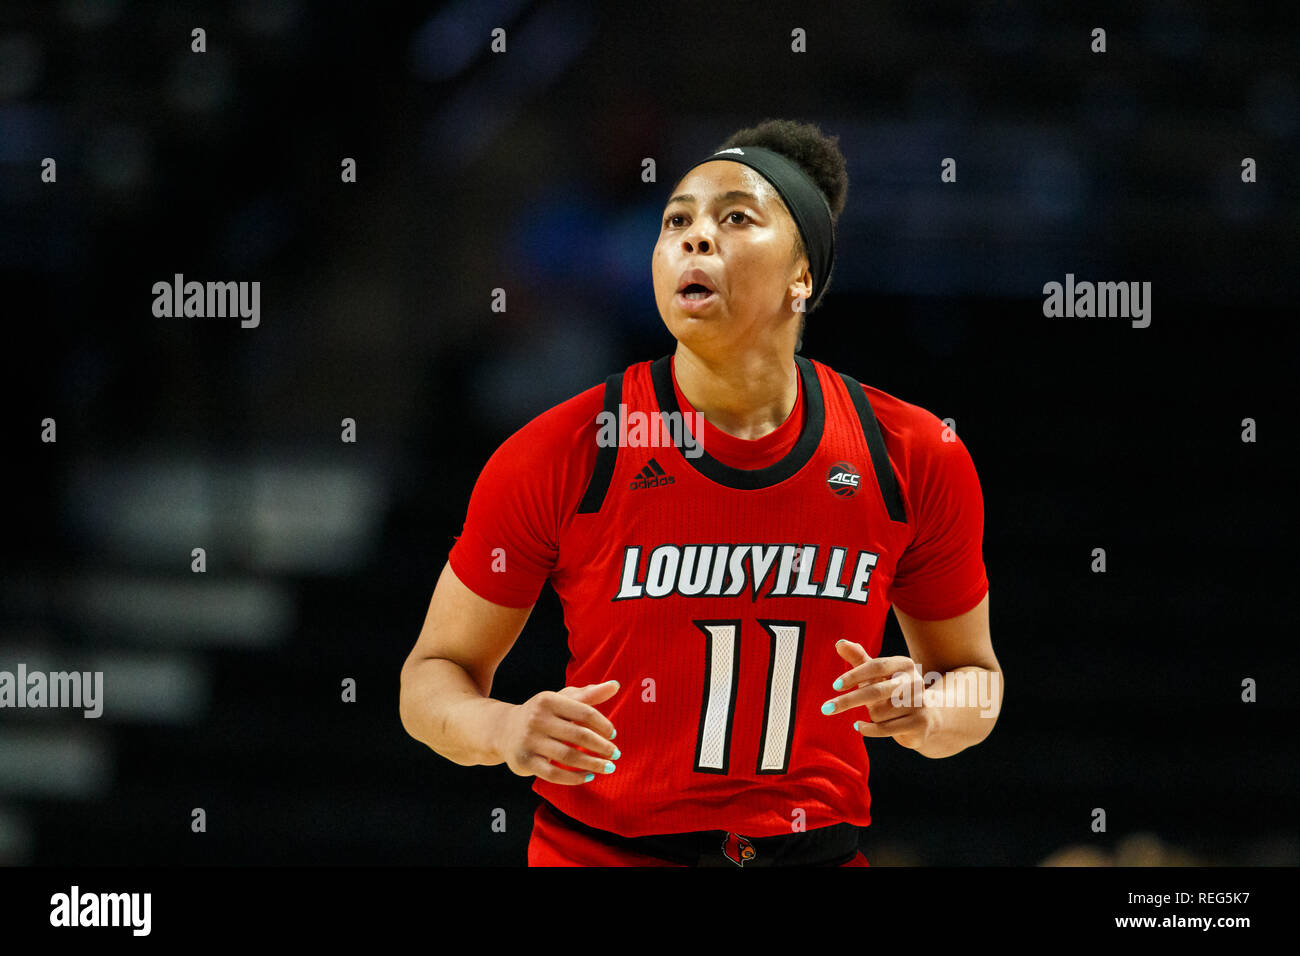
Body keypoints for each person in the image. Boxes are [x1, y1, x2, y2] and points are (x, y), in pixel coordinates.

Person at [399, 118, 1003, 867]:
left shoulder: (911, 452)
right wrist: (503, 731)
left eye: (736, 218)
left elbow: (978, 684)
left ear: (802, 276)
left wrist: (927, 709)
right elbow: (431, 676)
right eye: (676, 219)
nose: (694, 236)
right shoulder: (568, 449)